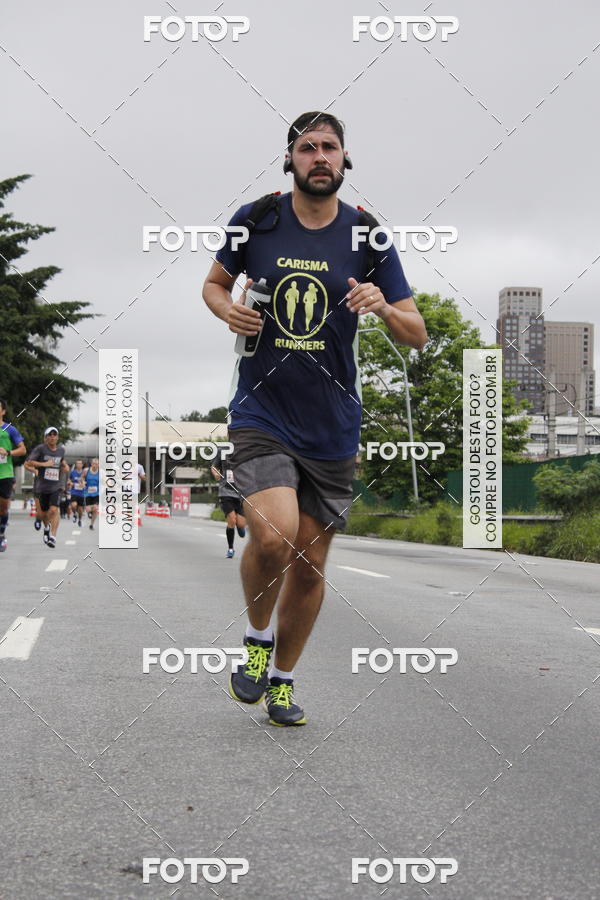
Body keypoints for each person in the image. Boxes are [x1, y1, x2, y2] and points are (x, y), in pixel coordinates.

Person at [202, 111, 427, 726]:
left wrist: (381, 305)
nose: (320, 156)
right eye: (308, 148)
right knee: (272, 538)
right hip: (262, 409)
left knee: (309, 562)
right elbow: (213, 285)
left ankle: (282, 679)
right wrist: (229, 312)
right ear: (289, 160)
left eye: (330, 147)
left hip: (332, 423)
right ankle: (255, 641)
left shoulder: (367, 236)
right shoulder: (257, 220)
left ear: (344, 159)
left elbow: (417, 335)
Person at [26, 427, 70, 549]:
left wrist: (65, 467)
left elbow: (62, 463)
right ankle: (46, 529)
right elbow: (29, 462)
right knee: (43, 514)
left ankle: (53, 537)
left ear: (57, 437)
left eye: (54, 435)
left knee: (54, 510)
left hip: (55, 486)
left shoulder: (61, 450)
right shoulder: (40, 449)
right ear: (45, 438)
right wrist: (43, 464)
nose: (52, 437)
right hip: (41, 487)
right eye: (49, 435)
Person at [0, 399, 27, 552]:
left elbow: (23, 450)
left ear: (3, 411)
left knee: (3, 508)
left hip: (5, 473)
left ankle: (2, 534)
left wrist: (8, 452)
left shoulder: (9, 429)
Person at [211, 452, 247, 558]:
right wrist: (216, 473)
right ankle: (230, 549)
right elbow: (214, 466)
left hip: (241, 492)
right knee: (232, 520)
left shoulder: (244, 449)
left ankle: (240, 527)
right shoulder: (222, 451)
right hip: (225, 492)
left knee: (240, 524)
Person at [83, 458, 100, 530]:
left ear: (98, 465)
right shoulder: (86, 471)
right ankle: (89, 511)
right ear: (91, 464)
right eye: (93, 463)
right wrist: (83, 483)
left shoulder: (101, 472)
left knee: (96, 509)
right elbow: (81, 479)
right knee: (88, 509)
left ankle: (91, 524)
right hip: (88, 493)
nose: (95, 465)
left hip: (96, 493)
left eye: (96, 464)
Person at [69, 459, 86, 526]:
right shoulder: (72, 472)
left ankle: (79, 520)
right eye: (77, 463)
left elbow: (88, 481)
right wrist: (71, 483)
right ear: (76, 465)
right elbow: (68, 480)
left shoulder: (85, 473)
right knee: (73, 505)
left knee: (80, 509)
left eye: (80, 463)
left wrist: (84, 484)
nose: (78, 465)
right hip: (74, 492)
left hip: (82, 493)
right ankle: (74, 514)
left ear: (82, 465)